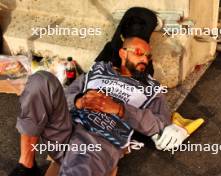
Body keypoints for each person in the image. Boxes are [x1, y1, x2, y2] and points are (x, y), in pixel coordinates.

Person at [9, 7, 190, 176]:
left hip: (99, 141)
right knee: (41, 80)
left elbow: (160, 124)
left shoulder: (152, 88)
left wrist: (120, 109)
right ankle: (26, 166)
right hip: (64, 130)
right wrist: (79, 100)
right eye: (139, 52)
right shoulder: (97, 72)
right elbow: (63, 96)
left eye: (147, 56)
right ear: (122, 53)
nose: (145, 59)